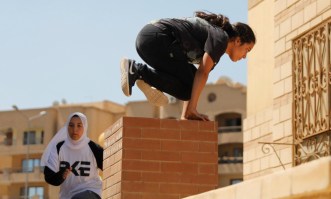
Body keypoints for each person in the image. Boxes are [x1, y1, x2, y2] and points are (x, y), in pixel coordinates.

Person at [120, 11, 256, 121]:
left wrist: (186, 115)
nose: (244, 56)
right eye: (247, 50)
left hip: (149, 41)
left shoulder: (216, 45)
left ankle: (145, 76)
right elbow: (202, 73)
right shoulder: (221, 38)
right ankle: (138, 70)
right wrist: (192, 109)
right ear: (238, 41)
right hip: (156, 38)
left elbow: (196, 80)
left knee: (188, 90)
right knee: (189, 87)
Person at [41, 112, 103, 199]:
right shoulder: (58, 148)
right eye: (71, 125)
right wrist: (61, 175)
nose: (75, 130)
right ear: (67, 127)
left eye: (79, 125)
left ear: (85, 127)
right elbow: (49, 177)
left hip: (91, 191)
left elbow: (112, 166)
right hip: (67, 196)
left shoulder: (94, 148)